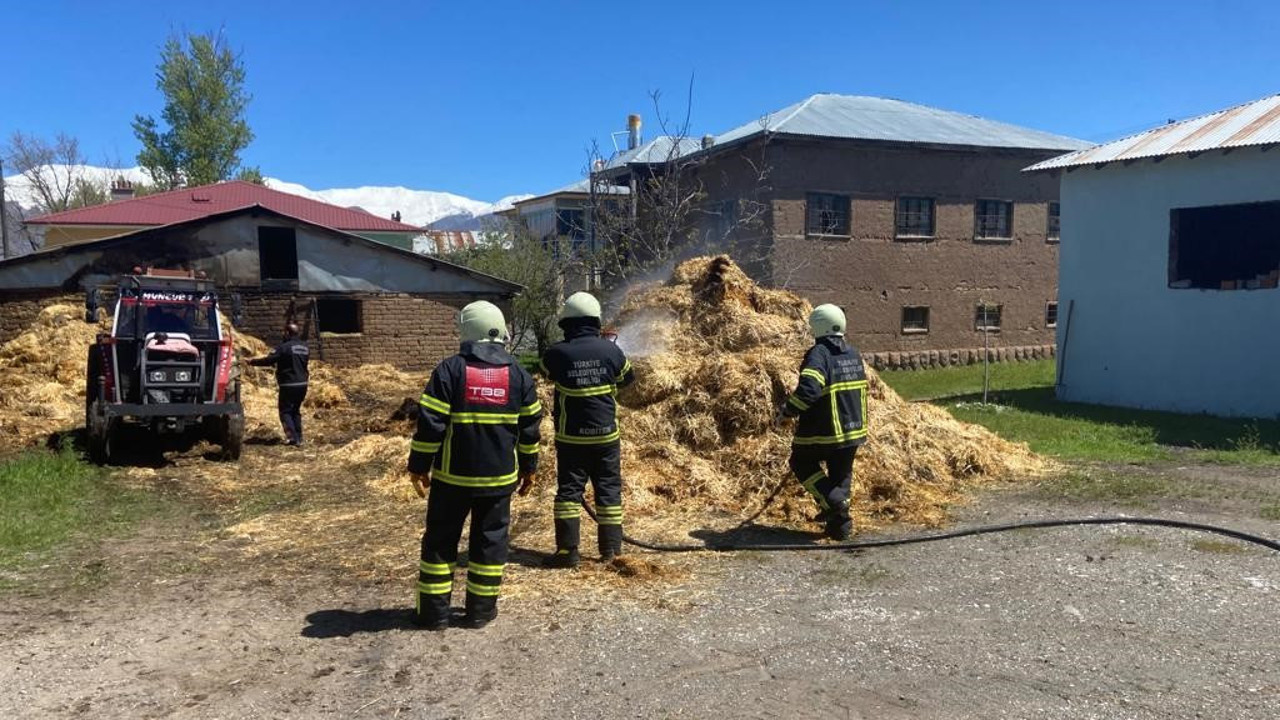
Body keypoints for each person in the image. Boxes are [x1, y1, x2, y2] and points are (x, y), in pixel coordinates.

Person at [407, 301, 542, 630]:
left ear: (466, 331)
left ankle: (434, 615)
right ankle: (480, 612)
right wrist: (529, 467)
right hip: (498, 481)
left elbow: (430, 425)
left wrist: (418, 465)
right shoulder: (520, 376)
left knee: (440, 541)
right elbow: (530, 429)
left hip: (453, 479)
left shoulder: (449, 371)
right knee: (491, 543)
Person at [539, 292, 634, 568]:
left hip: (571, 438)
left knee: (569, 492)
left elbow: (547, 373)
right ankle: (611, 551)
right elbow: (628, 378)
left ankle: (567, 553)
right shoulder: (611, 350)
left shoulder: (556, 353)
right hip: (606, 436)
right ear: (596, 320)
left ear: (567, 323)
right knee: (608, 491)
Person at [779, 304, 869, 540]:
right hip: (853, 431)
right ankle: (840, 528)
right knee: (841, 477)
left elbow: (809, 390)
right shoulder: (852, 353)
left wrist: (788, 411)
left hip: (824, 431)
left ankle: (835, 503)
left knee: (801, 462)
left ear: (817, 327)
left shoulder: (820, 354)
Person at [248, 322, 310, 446]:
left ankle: (292, 438)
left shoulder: (284, 347)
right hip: (303, 383)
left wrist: (252, 362)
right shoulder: (305, 347)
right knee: (296, 410)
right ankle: (299, 437)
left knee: (285, 411)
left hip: (288, 383)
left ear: (287, 333)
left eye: (284, 332)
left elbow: (269, 360)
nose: (283, 334)